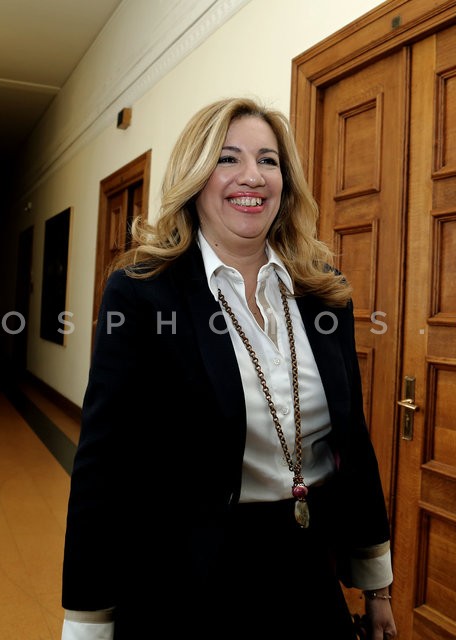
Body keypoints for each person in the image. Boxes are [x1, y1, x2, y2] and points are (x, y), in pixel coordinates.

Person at [61, 97, 397, 640]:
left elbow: (351, 438)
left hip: (307, 571)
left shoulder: (323, 291)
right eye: (228, 158)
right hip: (185, 583)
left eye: (268, 160)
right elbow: (104, 465)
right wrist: (88, 619)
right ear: (195, 177)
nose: (253, 177)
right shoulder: (143, 294)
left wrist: (377, 587)